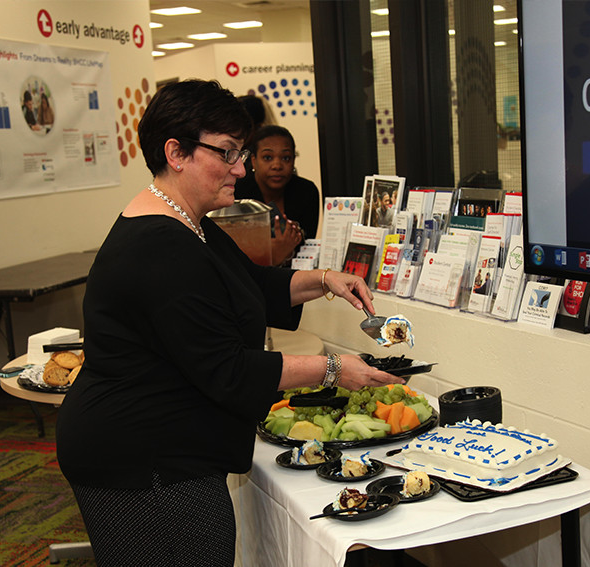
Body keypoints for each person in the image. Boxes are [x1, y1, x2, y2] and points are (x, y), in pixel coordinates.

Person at [55, 79, 402, 567]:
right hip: (145, 463)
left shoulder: (189, 222)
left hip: (158, 447)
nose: (242, 168)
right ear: (176, 152)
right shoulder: (160, 246)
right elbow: (228, 370)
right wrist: (333, 370)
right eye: (229, 153)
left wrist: (326, 279)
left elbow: (254, 286)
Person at [234, 125, 319, 266]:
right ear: (254, 160)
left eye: (286, 158)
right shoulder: (238, 192)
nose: (277, 165)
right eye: (268, 157)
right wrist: (274, 253)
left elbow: (306, 248)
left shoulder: (306, 192)